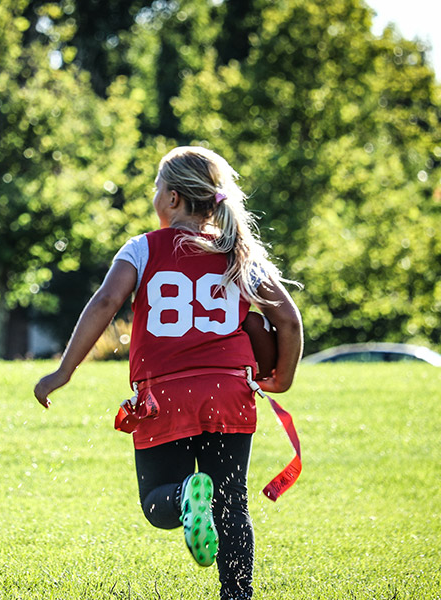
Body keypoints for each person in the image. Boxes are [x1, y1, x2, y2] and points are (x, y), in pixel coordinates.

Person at [34, 146, 303, 600]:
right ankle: (237, 596)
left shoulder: (142, 248)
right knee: (232, 505)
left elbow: (104, 303)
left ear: (173, 199)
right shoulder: (238, 251)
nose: (154, 197)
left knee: (157, 501)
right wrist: (284, 378)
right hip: (228, 390)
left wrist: (64, 370)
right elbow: (289, 320)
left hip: (165, 396)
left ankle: (183, 495)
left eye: (157, 188)